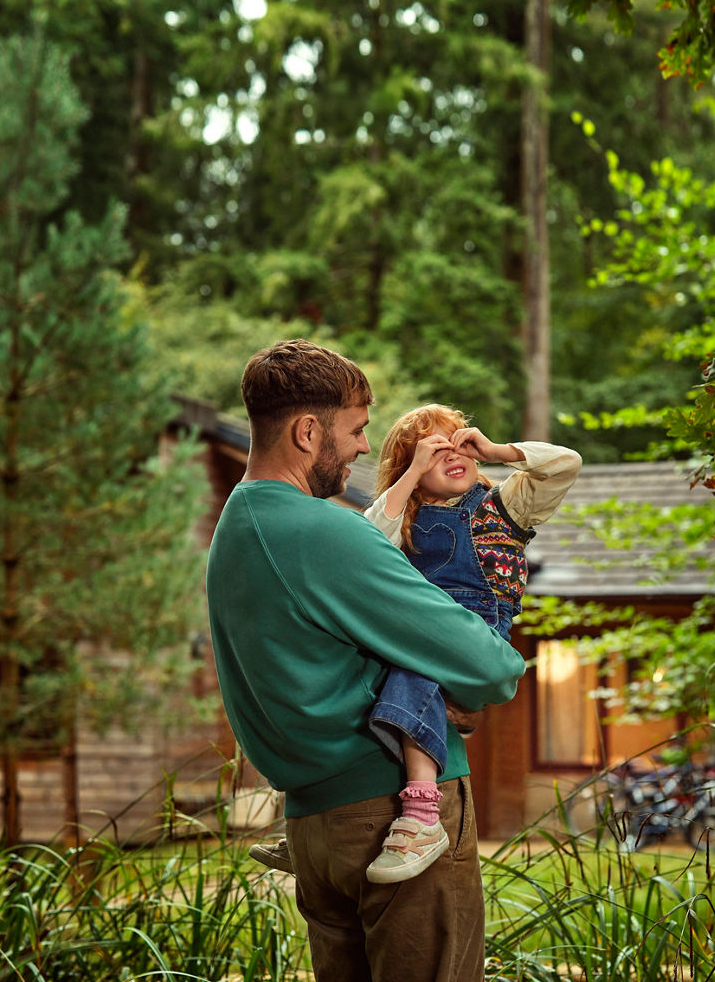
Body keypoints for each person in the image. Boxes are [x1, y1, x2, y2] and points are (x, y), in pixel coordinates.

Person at [205, 340, 525, 982]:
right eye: (354, 431)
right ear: (305, 431)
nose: (358, 450)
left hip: (313, 827)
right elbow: (492, 667)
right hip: (389, 817)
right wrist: (453, 688)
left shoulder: (234, 530)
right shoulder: (324, 531)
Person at [359, 405, 581, 882]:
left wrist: (499, 451)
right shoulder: (406, 519)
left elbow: (566, 463)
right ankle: (349, 817)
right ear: (412, 471)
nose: (453, 452)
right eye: (434, 450)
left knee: (414, 670)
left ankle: (421, 815)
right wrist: (413, 472)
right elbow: (365, 544)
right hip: (422, 627)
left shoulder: (505, 504)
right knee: (358, 674)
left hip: (476, 630)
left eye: (461, 442)